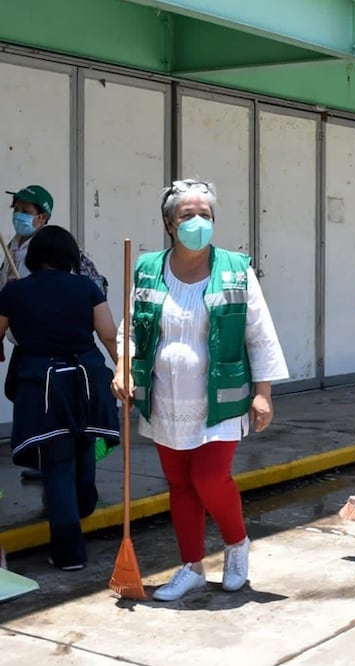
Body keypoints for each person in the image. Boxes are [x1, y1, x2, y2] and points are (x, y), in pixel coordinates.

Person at [112, 178, 288, 602]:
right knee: (179, 485)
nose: (197, 222)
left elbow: (258, 333)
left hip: (220, 399)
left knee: (210, 478)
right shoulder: (148, 269)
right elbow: (131, 328)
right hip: (165, 397)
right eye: (188, 215)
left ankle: (236, 543)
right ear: (169, 224)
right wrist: (123, 367)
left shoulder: (234, 268)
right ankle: (191, 565)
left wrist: (263, 392)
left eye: (205, 215)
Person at [0, 226, 120, 571]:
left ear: (35, 257)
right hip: (86, 381)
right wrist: (128, 373)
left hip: (43, 386)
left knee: (57, 465)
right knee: (82, 445)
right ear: (70, 257)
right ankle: (84, 506)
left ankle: (69, 553)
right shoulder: (86, 288)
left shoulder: (14, 292)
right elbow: (109, 336)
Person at [5, 185, 108, 483]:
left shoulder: (55, 248)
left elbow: (91, 288)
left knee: (64, 405)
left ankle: (71, 455)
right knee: (20, 393)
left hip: (63, 348)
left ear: (42, 217)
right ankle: (46, 455)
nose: (19, 216)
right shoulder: (11, 247)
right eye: (17, 210)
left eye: (25, 211)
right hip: (28, 343)